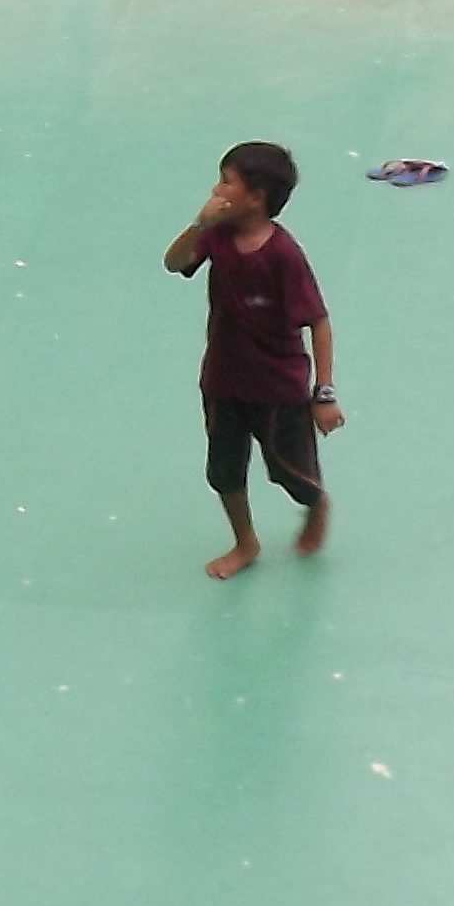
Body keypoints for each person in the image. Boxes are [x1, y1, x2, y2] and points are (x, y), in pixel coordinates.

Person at [160, 141, 339, 579]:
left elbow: (318, 322)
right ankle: (245, 542)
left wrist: (324, 393)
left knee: (290, 472)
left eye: (226, 181)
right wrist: (199, 223)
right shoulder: (217, 236)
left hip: (278, 387)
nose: (216, 189)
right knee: (224, 470)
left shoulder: (283, 255)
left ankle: (315, 503)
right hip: (223, 379)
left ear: (256, 197)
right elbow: (174, 262)